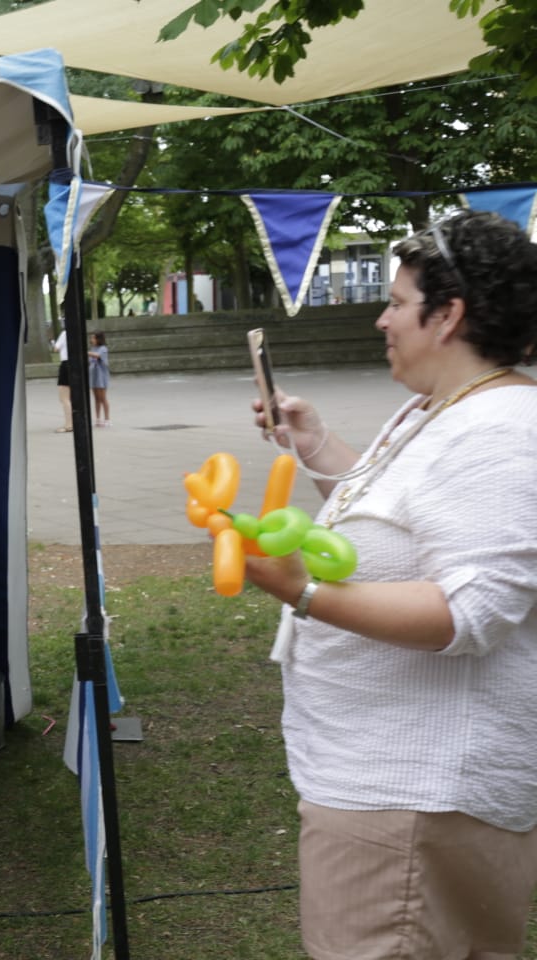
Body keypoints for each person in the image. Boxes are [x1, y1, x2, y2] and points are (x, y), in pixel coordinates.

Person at [242, 210, 537, 959]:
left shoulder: (500, 431)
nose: (382, 318)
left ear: (450, 316)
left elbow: (470, 610)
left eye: (398, 302)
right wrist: (316, 444)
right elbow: (402, 520)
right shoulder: (439, 410)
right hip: (389, 786)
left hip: (415, 797)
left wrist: (304, 592)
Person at [88, 331, 111, 426]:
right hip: (93, 375)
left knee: (103, 398)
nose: (91, 340)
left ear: (98, 339)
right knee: (96, 399)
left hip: (101, 376)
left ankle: (107, 419)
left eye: (93, 338)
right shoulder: (93, 348)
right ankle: (97, 419)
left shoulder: (103, 349)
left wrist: (86, 352)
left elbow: (97, 356)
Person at [53, 326, 73, 432]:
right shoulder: (77, 333)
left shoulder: (65, 333)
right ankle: (73, 422)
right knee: (72, 396)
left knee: (64, 397)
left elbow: (56, 348)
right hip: (76, 363)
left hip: (66, 364)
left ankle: (69, 425)